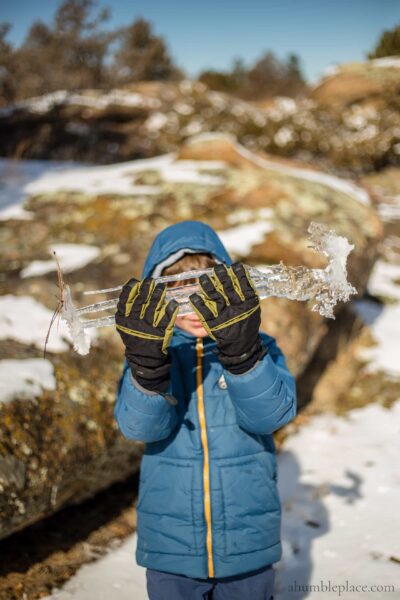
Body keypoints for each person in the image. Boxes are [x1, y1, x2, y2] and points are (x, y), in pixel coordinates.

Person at [114, 220, 297, 600]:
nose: (192, 304)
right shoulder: (153, 351)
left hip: (247, 543)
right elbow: (139, 427)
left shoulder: (259, 345)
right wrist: (148, 370)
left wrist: (243, 356)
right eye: (177, 289)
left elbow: (270, 415)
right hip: (171, 546)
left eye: (203, 287)